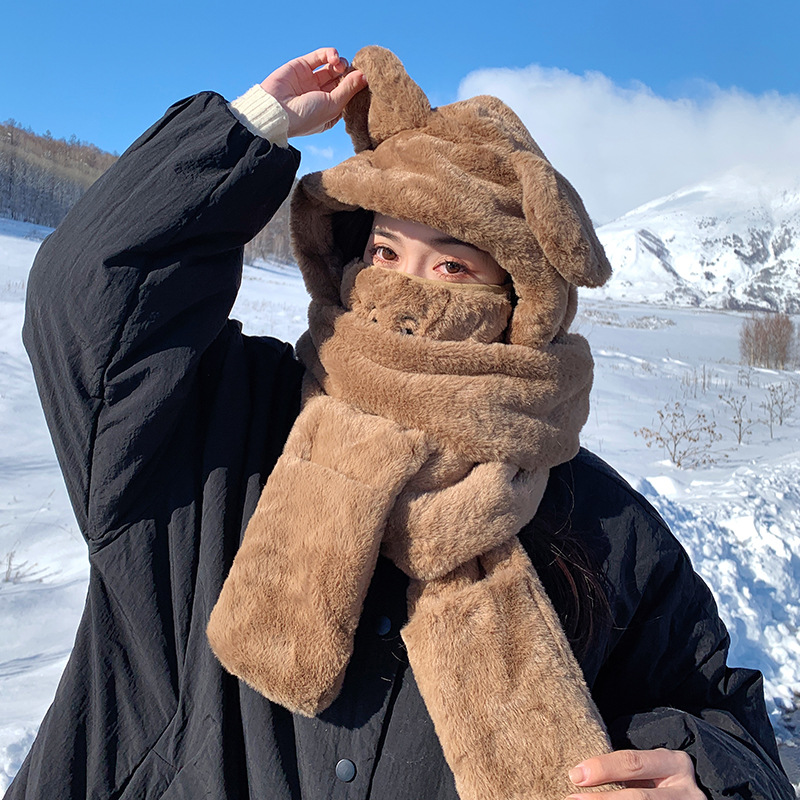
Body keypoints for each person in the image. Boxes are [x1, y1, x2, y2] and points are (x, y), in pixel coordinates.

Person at [10, 46, 793, 800]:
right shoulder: (221, 421)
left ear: (519, 305)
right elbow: (92, 300)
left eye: (453, 265)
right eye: (385, 252)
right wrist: (248, 131)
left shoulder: (600, 524)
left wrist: (706, 779)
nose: (406, 294)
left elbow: (714, 711)